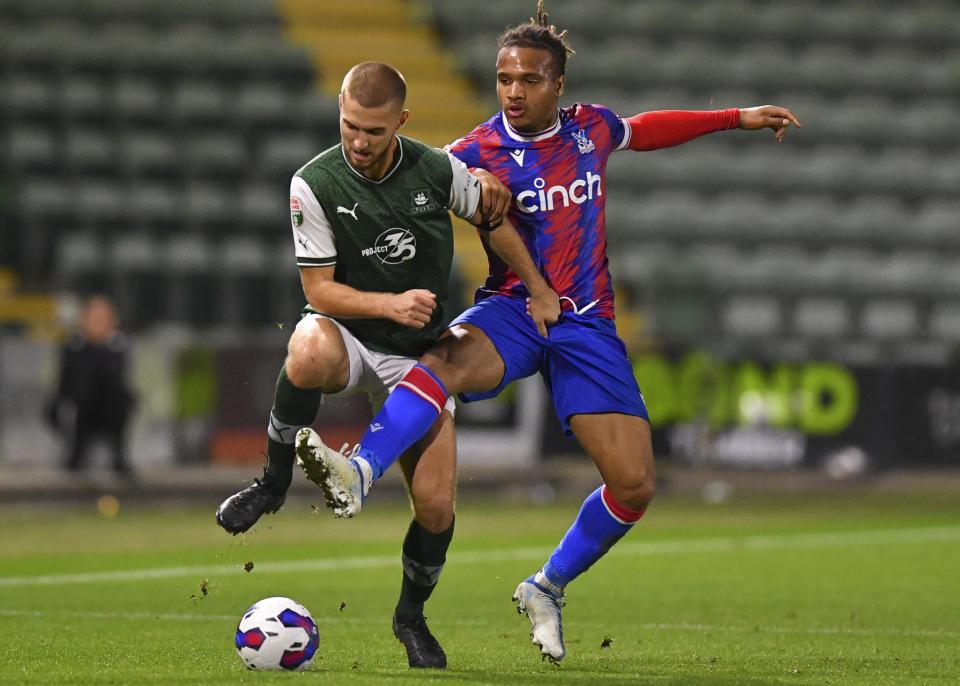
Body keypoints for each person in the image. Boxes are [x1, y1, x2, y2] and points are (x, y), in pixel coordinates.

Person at [295, 2, 803, 663]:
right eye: (504, 78)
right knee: (443, 359)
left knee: (634, 485)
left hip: (585, 320)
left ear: (557, 84)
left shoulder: (590, 129)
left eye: (529, 80)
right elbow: (400, 193)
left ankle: (546, 586)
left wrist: (735, 117)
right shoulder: (470, 153)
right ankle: (360, 470)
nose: (514, 91)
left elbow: (646, 129)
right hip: (512, 309)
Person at [215, 62, 559, 669]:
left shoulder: (436, 170)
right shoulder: (313, 182)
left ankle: (410, 617)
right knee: (306, 349)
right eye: (350, 125)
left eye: (374, 130)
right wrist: (389, 304)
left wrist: (536, 285)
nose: (359, 141)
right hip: (347, 335)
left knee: (437, 507)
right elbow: (318, 290)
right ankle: (272, 483)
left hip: (419, 360)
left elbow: (494, 217)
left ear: (401, 121)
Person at [47, 296, 135, 475]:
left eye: (102, 318)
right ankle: (76, 451)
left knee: (120, 400)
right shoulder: (73, 346)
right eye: (93, 318)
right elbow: (66, 383)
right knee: (79, 397)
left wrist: (103, 345)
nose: (97, 323)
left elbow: (117, 379)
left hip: (110, 408)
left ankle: (118, 454)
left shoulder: (119, 347)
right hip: (81, 408)